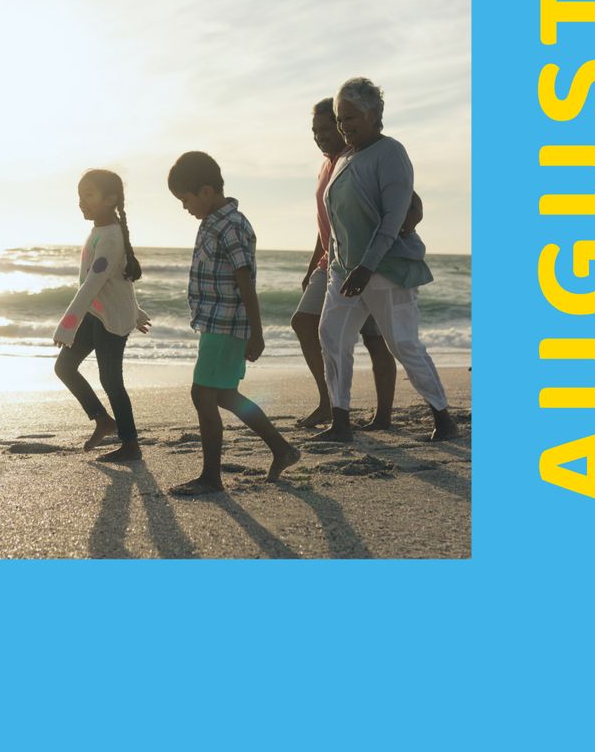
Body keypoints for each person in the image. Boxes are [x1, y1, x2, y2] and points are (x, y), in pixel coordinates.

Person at [313, 78, 457, 444]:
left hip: (385, 270)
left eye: (351, 117)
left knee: (403, 344)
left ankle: (443, 417)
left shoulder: (391, 153)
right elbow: (338, 220)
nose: (344, 125)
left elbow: (395, 217)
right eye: (340, 118)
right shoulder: (346, 157)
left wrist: (366, 267)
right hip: (345, 272)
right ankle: (341, 420)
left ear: (375, 114)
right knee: (332, 336)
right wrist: (337, 265)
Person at [166, 151, 300, 495]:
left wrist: (257, 333)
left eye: (186, 199)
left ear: (207, 191)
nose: (184, 207)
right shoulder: (213, 222)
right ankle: (282, 449)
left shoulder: (232, 224)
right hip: (216, 324)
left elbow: (245, 281)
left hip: (227, 325)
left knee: (202, 394)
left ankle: (212, 477)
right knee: (224, 395)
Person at [293, 97, 424, 431]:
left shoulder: (366, 159)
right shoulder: (329, 165)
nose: (320, 135)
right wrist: (313, 267)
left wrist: (392, 238)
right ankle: (330, 402)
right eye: (315, 130)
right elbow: (329, 224)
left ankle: (381, 415)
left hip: (368, 265)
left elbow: (411, 204)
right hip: (333, 262)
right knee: (305, 322)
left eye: (326, 127)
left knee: (375, 340)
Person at [52, 169, 151, 462]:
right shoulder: (100, 231)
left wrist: (67, 326)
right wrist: (137, 311)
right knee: (65, 367)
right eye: (80, 196)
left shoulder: (109, 237)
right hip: (99, 315)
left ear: (111, 200)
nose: (82, 202)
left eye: (89, 195)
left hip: (111, 322)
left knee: (111, 381)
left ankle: (131, 444)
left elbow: (92, 285)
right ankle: (103, 420)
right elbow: (119, 283)